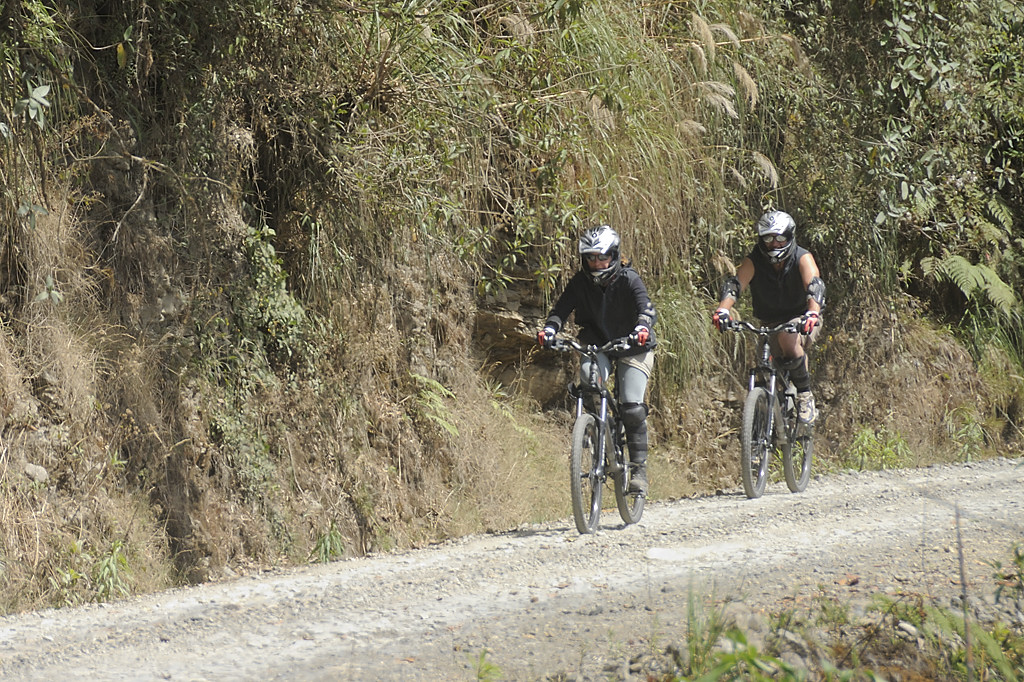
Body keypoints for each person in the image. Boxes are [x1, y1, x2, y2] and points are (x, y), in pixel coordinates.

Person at [537, 225, 657, 495]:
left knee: (631, 407)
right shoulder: (580, 282)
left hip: (633, 345)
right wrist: (549, 330)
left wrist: (642, 327)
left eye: (602, 257)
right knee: (588, 379)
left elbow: (646, 308)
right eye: (590, 257)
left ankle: (639, 470)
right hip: (598, 343)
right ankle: (598, 428)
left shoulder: (629, 278)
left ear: (614, 255)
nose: (596, 263)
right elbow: (560, 310)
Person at [712, 210, 825, 423]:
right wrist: (722, 310)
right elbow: (735, 285)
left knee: (788, 340)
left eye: (780, 238)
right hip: (768, 322)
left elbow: (814, 286)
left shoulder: (802, 257)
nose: (774, 244)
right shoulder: (754, 260)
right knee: (766, 367)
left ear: (789, 237)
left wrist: (812, 313)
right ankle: (766, 427)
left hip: (802, 318)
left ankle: (805, 395)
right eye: (768, 238)